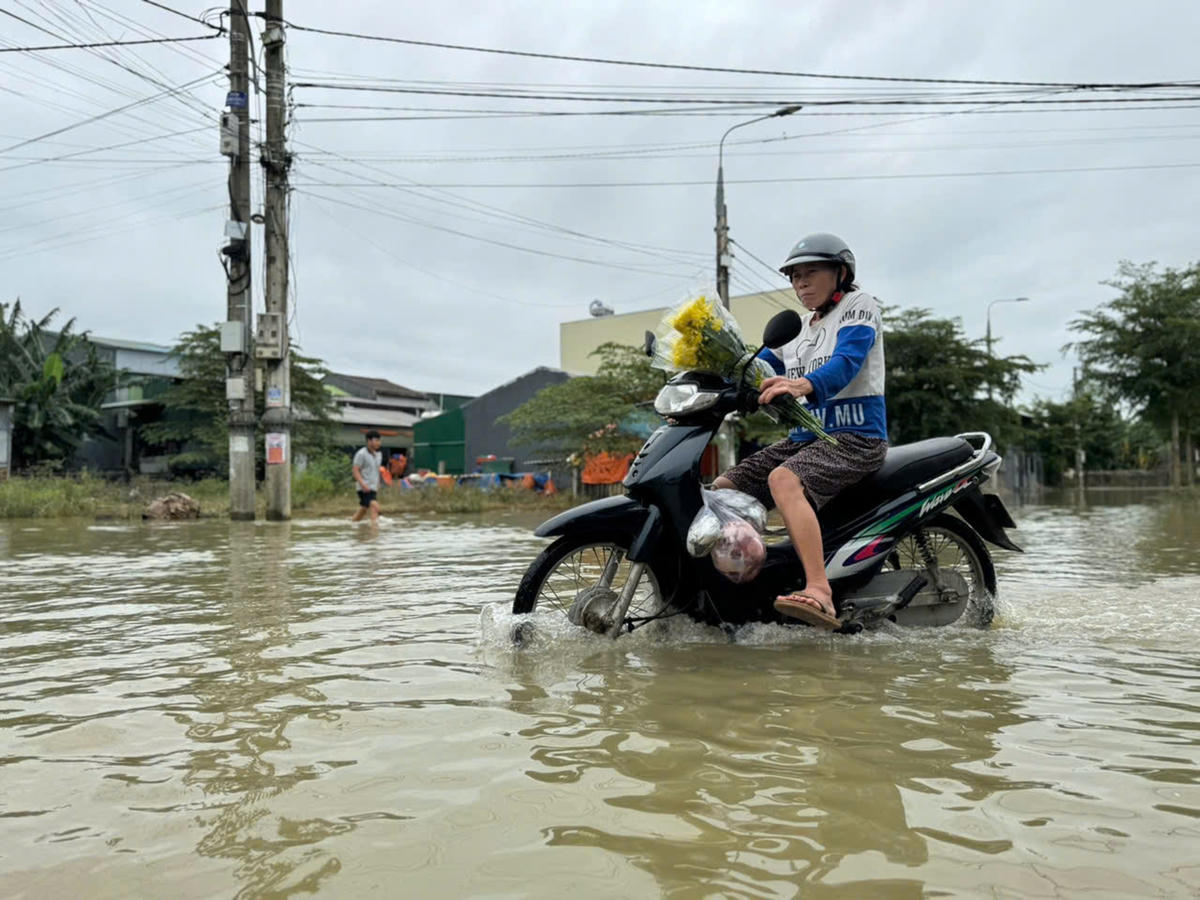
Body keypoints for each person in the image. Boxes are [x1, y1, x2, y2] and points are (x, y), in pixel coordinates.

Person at [711, 233, 887, 629]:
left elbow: (848, 359)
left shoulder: (859, 307)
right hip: (807, 439)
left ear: (840, 274)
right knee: (722, 489)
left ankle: (820, 592)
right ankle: (742, 582)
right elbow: (756, 368)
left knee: (783, 479)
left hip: (857, 438)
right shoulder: (800, 328)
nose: (800, 284)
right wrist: (710, 373)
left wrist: (804, 384)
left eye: (811, 273)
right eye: (795, 276)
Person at [351, 430, 383, 523]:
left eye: (379, 440)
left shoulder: (378, 455)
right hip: (364, 487)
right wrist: (363, 484)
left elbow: (377, 471)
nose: (378, 443)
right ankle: (374, 532)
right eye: (376, 440)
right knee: (374, 506)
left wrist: (378, 483)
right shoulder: (361, 454)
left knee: (364, 509)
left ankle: (353, 523)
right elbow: (355, 470)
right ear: (369, 441)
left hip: (373, 487)